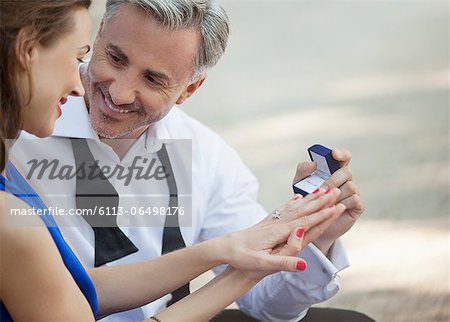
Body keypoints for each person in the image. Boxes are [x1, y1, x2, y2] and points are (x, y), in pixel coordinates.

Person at [10, 0, 373, 321]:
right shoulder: (19, 124)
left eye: (153, 79)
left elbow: (266, 304)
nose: (119, 92)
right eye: (116, 58)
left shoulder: (205, 155)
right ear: (100, 31)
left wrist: (312, 235)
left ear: (189, 89)